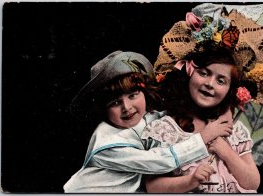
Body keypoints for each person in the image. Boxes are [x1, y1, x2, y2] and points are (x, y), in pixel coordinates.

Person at [63, 51, 233, 193]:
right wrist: (203, 138)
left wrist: (226, 111)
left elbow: (175, 113)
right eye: (115, 103)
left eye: (133, 95)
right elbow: (157, 162)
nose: (127, 108)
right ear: (103, 109)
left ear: (145, 92)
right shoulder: (107, 142)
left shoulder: (148, 118)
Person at [142, 46, 261, 193]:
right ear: (189, 73)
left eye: (221, 81)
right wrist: (190, 181)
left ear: (230, 90)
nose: (210, 84)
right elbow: (152, 187)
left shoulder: (234, 130)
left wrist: (226, 151)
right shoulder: (166, 131)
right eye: (204, 73)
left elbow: (252, 183)